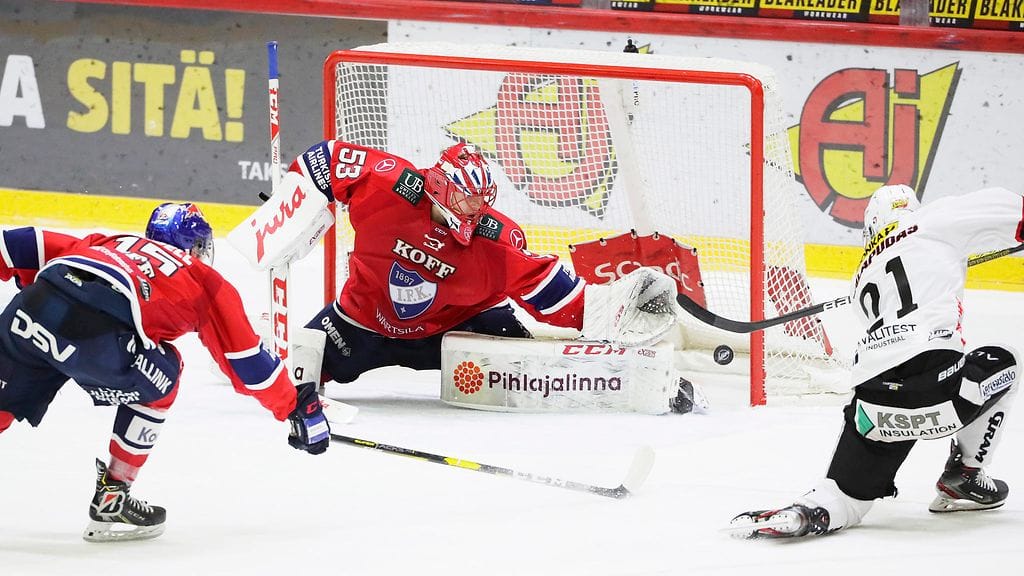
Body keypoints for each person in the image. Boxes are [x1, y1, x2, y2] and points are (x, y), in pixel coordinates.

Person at [0, 203, 330, 542]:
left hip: (32, 308)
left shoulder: (112, 241)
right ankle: (114, 493)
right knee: (165, 374)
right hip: (98, 338)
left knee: (5, 399)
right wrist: (293, 406)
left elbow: (16, 245)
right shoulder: (204, 280)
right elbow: (249, 364)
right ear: (193, 245)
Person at [251, 139, 681, 395]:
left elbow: (546, 288)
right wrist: (291, 204)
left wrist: (607, 308)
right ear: (438, 186)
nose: (474, 209)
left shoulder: (495, 239)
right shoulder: (388, 184)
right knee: (290, 377)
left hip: (456, 330)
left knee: (530, 370)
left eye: (480, 200)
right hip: (360, 323)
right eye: (465, 198)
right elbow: (325, 159)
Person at [730, 184, 1023, 539]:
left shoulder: (861, 278)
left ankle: (807, 514)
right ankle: (966, 474)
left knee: (845, 498)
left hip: (873, 404)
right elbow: (1016, 209)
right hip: (941, 391)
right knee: (1005, 358)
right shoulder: (934, 220)